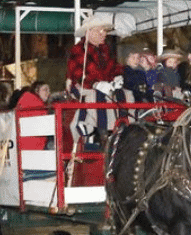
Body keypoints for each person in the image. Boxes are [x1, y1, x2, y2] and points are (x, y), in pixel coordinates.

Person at [66, 15, 127, 143]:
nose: (104, 34)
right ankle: (101, 132)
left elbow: (113, 67)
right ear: (89, 32)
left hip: (102, 86)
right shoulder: (78, 49)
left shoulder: (105, 50)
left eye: (104, 31)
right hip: (82, 86)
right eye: (100, 31)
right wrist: (95, 84)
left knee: (125, 94)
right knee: (97, 96)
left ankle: (122, 126)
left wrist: (117, 76)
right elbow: (78, 73)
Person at [16, 80, 52, 150]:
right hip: (35, 145)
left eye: (49, 90)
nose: (48, 93)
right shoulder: (38, 105)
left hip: (22, 145)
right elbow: (45, 126)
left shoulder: (24, 101)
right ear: (36, 90)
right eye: (45, 90)